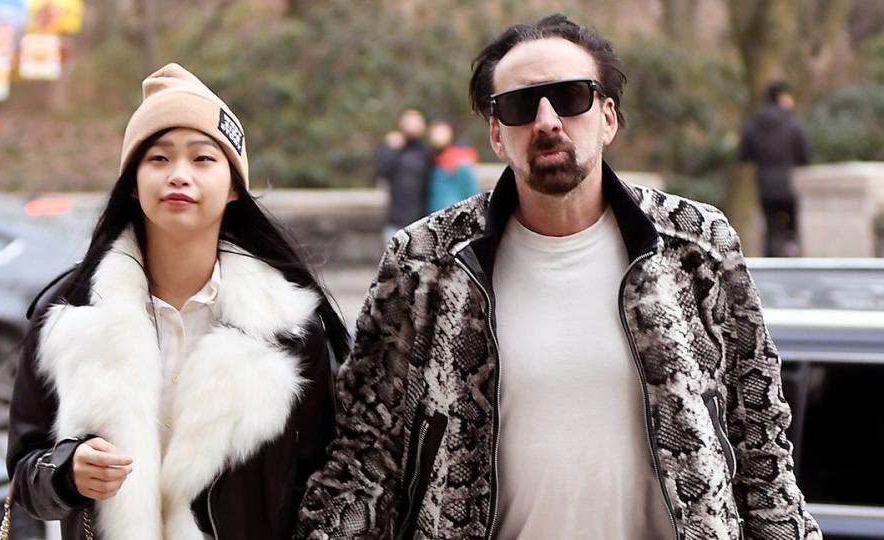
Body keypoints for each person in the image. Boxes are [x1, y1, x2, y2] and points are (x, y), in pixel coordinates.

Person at [296, 14, 821, 540]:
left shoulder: (697, 245)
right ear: (498, 136)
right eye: (521, 105)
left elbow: (760, 445)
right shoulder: (424, 264)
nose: (547, 120)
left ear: (608, 117)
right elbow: (364, 459)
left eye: (570, 97)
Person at [6, 63, 348, 540]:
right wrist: (66, 473)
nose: (179, 176)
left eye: (203, 159)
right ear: (132, 182)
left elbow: (325, 482)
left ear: (233, 187)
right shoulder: (70, 318)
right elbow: (25, 472)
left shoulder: (286, 328)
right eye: (159, 159)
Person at [739, 80, 812, 257]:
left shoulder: (753, 124)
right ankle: (792, 252)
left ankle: (772, 257)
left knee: (770, 227)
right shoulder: (793, 123)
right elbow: (805, 154)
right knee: (791, 226)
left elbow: (743, 155)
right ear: (783, 98)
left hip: (765, 183)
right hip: (789, 182)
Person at [375, 108, 434, 243]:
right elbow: (381, 171)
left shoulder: (427, 153)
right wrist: (389, 149)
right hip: (396, 220)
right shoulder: (394, 149)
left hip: (421, 221)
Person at [426, 119, 480, 214]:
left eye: (441, 132)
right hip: (434, 216)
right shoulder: (433, 159)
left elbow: (471, 192)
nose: (437, 136)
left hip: (453, 216)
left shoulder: (460, 160)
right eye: (434, 133)